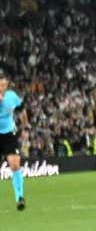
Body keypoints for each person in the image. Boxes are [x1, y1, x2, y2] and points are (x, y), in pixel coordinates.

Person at [0, 72, 29, 211]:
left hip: (9, 135)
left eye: (4, 85)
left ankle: (19, 198)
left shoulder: (11, 96)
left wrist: (25, 127)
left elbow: (22, 110)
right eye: (0, 85)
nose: (2, 88)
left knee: (15, 165)